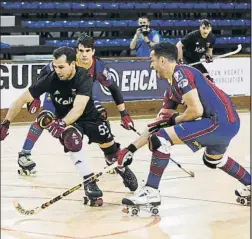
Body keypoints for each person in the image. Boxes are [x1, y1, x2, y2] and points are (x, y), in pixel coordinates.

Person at [116, 42, 251, 207]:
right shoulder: (171, 90)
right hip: (229, 122)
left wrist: (173, 120)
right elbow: (157, 124)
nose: (151, 65)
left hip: (219, 121)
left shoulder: (182, 73)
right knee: (213, 159)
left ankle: (151, 191)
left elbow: (196, 110)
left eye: (152, 60)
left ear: (163, 61)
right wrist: (130, 149)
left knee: (161, 139)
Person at [0, 46, 137, 206]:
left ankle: (122, 169)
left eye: (61, 67)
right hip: (69, 121)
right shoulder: (51, 78)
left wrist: (62, 123)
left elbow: (79, 108)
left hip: (90, 118)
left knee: (111, 153)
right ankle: (89, 181)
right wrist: (6, 122)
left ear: (72, 64)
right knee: (71, 139)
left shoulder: (83, 76)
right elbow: (20, 100)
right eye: (55, 66)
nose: (57, 70)